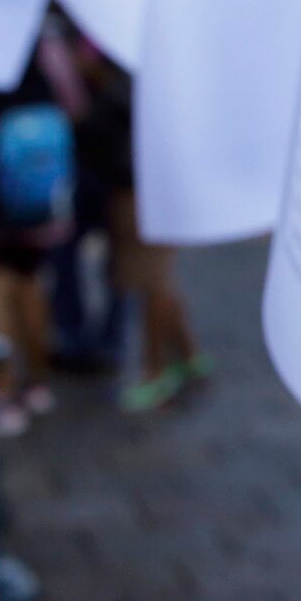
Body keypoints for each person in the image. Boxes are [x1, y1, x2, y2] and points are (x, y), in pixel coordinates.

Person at [0, 16, 86, 439]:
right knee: (31, 281)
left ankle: (2, 390)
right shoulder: (47, 42)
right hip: (39, 186)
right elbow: (74, 106)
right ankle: (36, 382)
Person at [82, 41, 209, 413]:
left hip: (142, 189)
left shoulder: (134, 76)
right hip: (151, 186)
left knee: (152, 282)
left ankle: (157, 370)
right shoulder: (163, 71)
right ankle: (187, 356)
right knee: (158, 279)